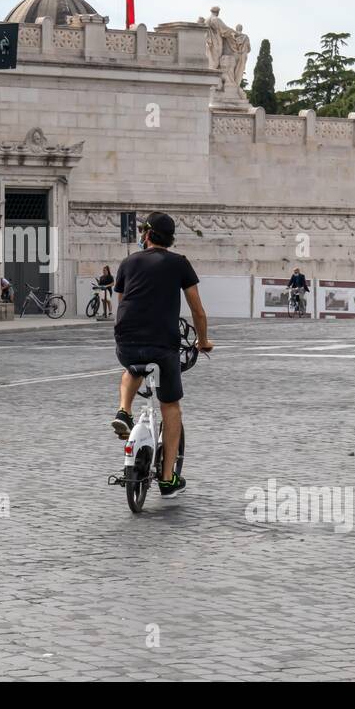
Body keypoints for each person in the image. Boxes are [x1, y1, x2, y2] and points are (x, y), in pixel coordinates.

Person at [110, 212, 213, 499]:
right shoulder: (179, 263)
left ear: (146, 235)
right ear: (170, 238)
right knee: (171, 407)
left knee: (132, 368)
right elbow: (197, 309)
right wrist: (203, 341)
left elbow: (121, 304)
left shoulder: (128, 261)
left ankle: (124, 410)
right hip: (162, 344)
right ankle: (167, 479)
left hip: (127, 339)